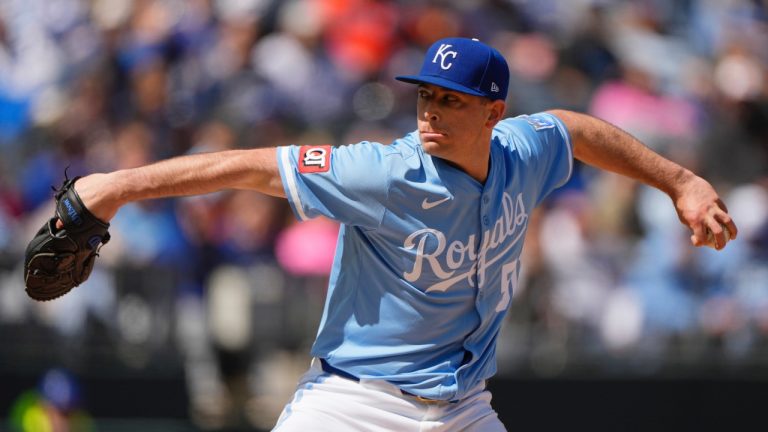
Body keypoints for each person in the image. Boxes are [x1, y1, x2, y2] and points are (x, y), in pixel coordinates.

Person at [63, 37, 737, 431]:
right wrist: (117, 187)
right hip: (357, 403)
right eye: (426, 96)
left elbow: (579, 129)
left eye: (452, 100)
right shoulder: (382, 170)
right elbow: (245, 168)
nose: (431, 112)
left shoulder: (524, 151)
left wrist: (680, 180)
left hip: (465, 407)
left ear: (494, 112)